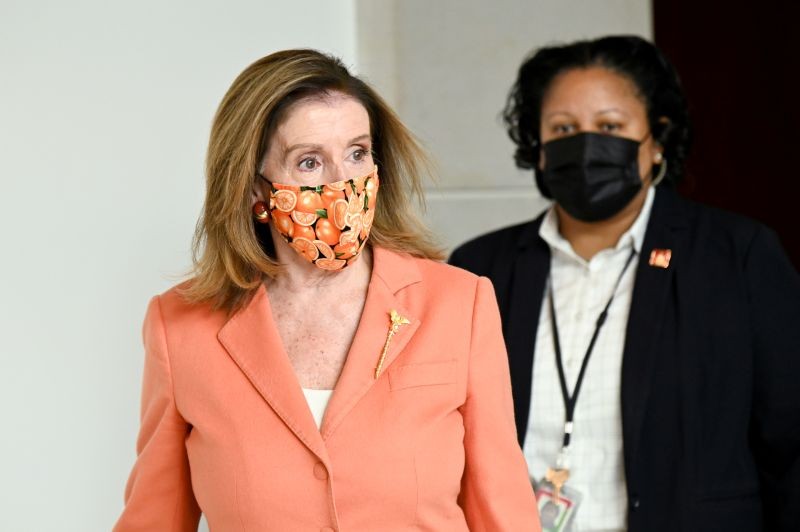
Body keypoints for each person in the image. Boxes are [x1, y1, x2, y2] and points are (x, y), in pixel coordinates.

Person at [113, 49, 541, 531]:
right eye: (310, 162)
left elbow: (503, 513)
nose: (344, 183)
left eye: (358, 153)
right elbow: (154, 519)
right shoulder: (180, 327)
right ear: (255, 189)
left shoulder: (459, 303)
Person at [449, 35, 800, 531]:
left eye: (609, 126)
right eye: (563, 128)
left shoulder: (736, 255)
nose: (586, 145)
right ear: (540, 148)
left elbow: (789, 443)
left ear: (656, 140)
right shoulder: (481, 266)